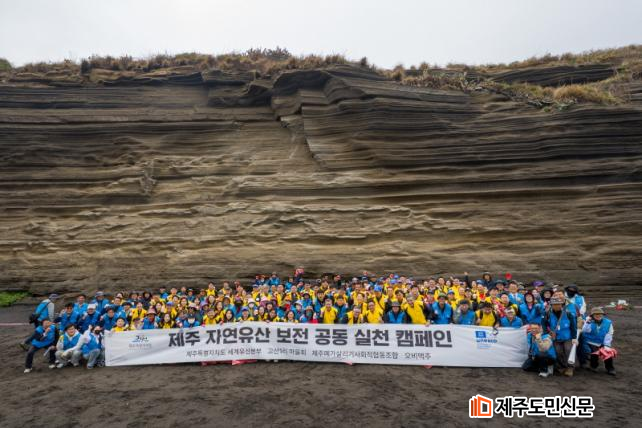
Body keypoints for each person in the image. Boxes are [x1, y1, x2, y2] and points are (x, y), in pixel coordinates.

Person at [544, 297, 577, 377]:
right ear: (551, 305)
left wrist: (574, 337)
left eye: (558, 304)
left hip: (567, 337)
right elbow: (544, 324)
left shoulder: (568, 313)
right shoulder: (548, 313)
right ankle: (562, 366)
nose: (556, 306)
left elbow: (573, 326)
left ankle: (570, 367)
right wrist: (548, 332)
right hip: (555, 337)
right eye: (554, 304)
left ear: (562, 305)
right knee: (558, 351)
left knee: (568, 350)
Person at [581, 307, 616, 375]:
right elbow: (585, 330)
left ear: (603, 315)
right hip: (590, 341)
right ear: (592, 316)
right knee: (594, 353)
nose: (598, 315)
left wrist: (606, 345)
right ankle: (593, 366)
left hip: (602, 341)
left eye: (600, 314)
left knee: (608, 353)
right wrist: (587, 322)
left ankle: (610, 368)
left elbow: (609, 333)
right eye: (596, 314)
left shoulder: (608, 322)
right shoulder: (588, 321)